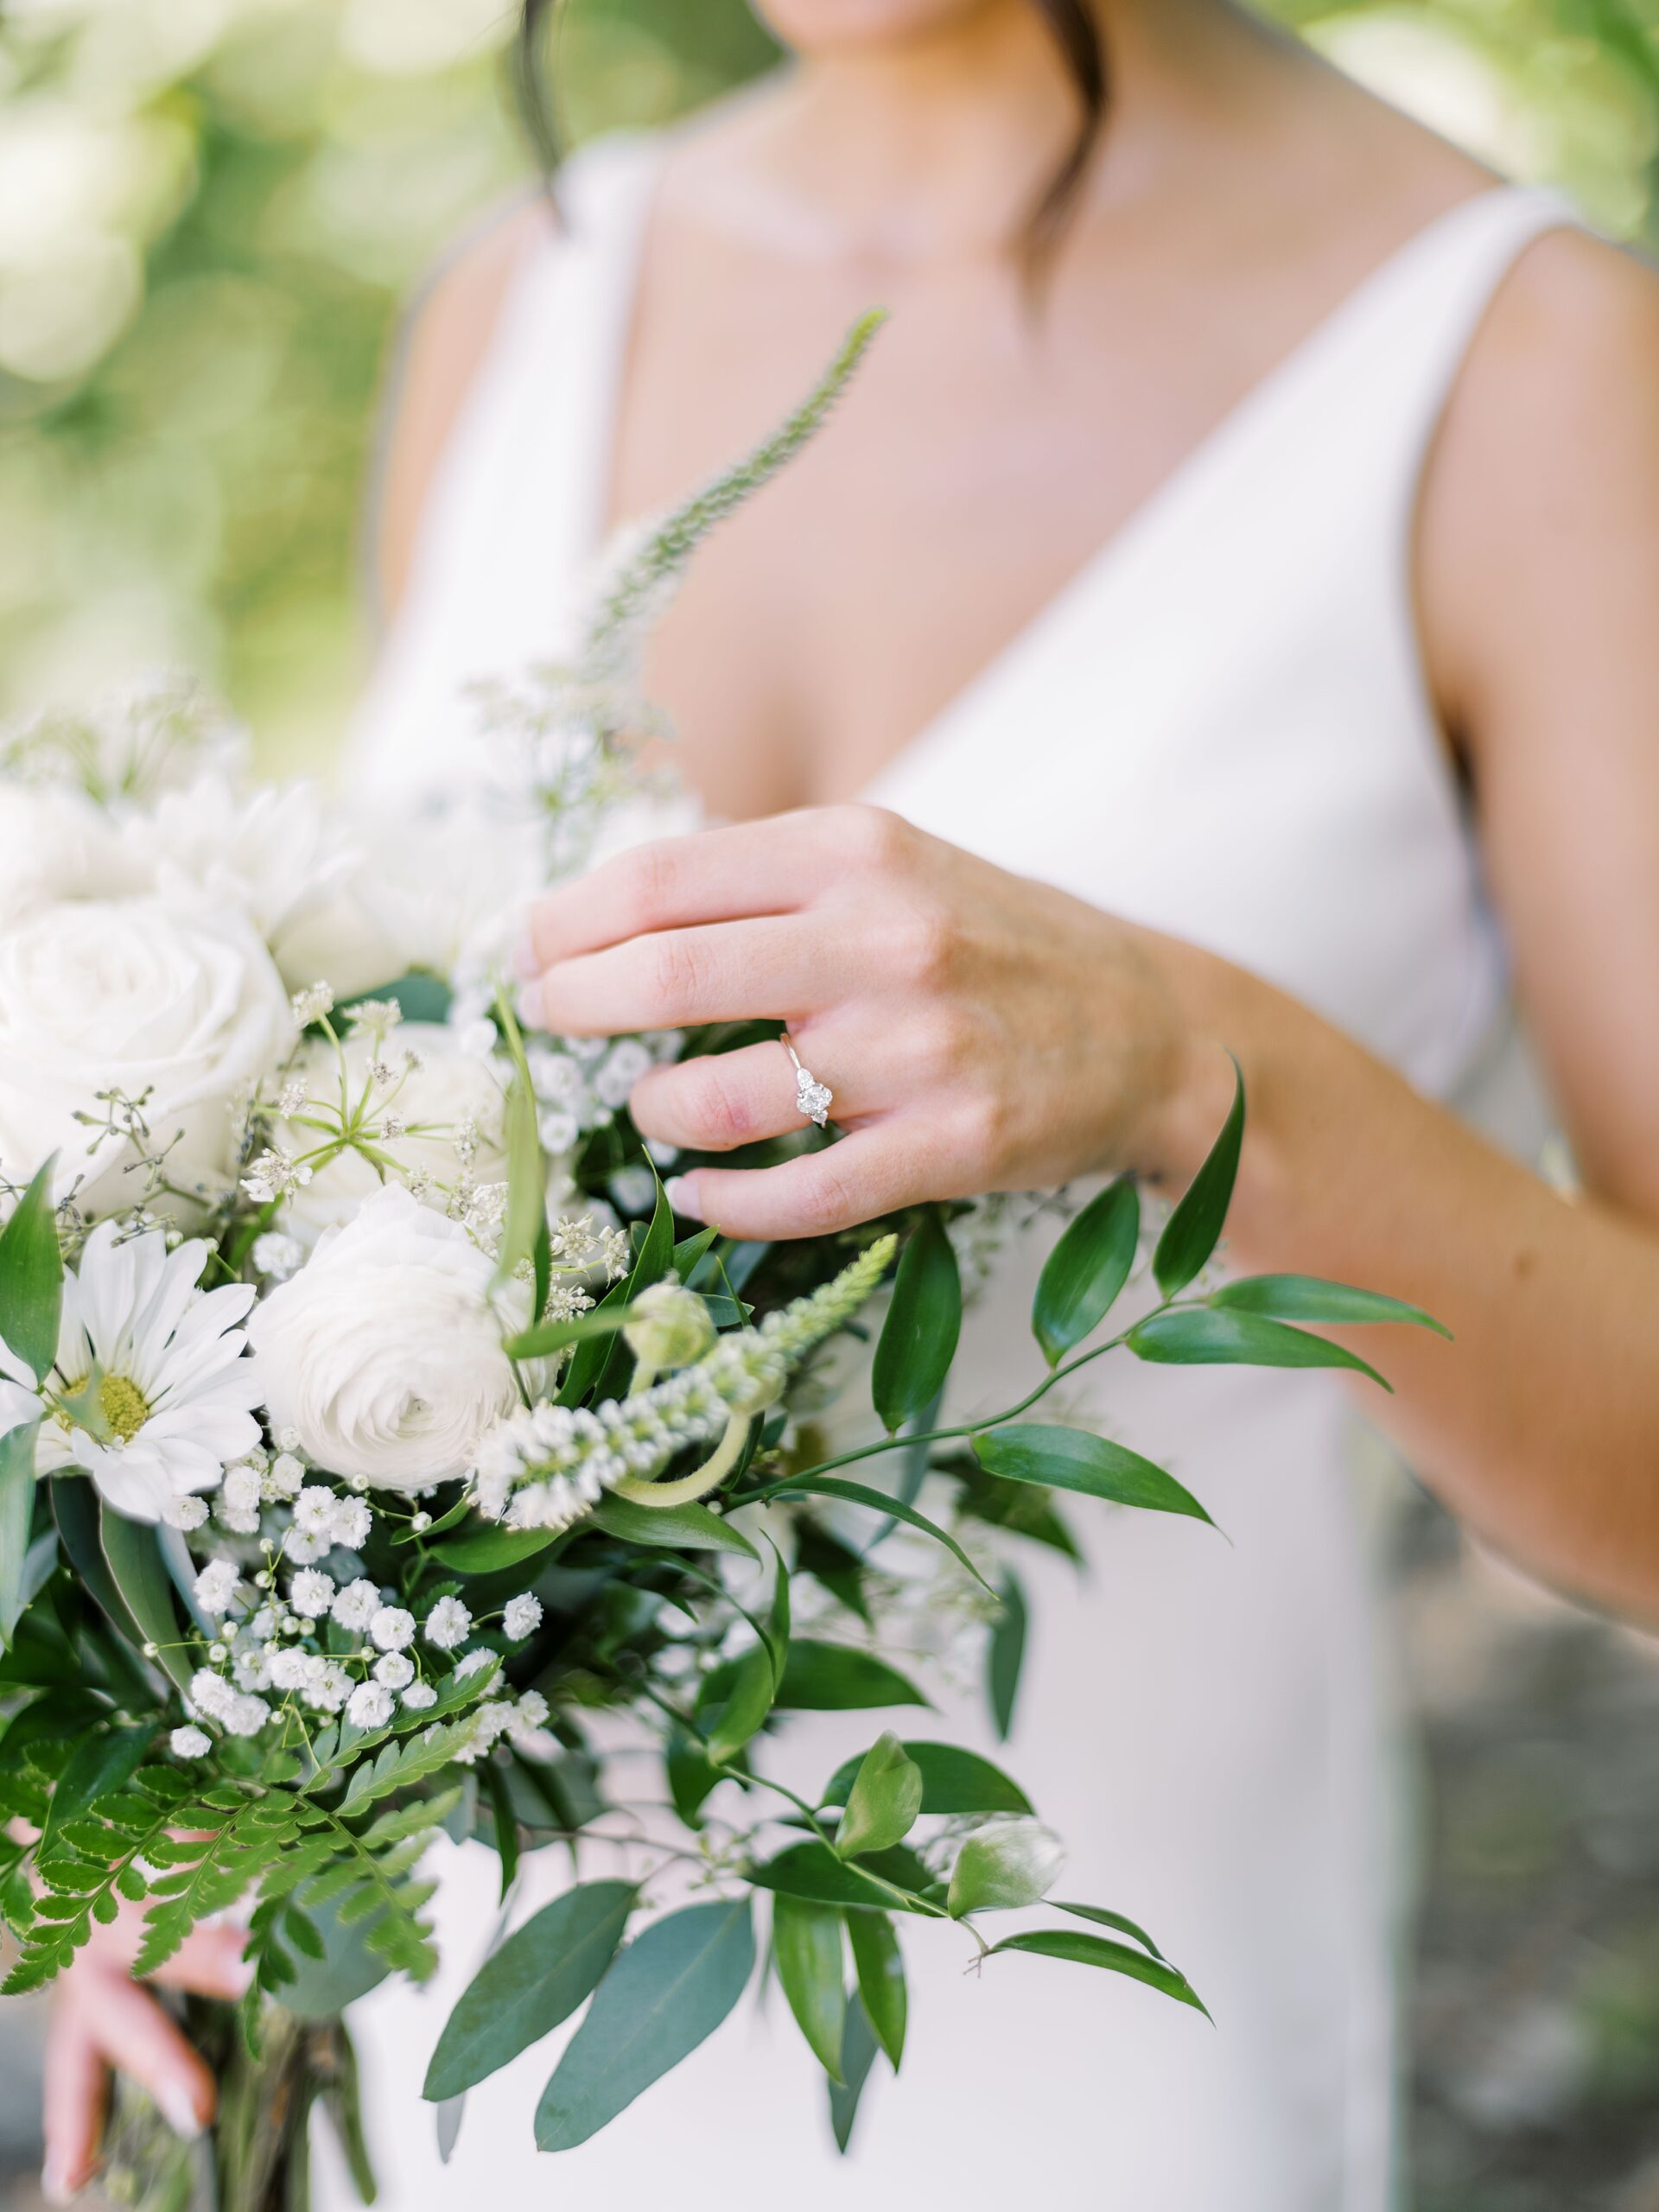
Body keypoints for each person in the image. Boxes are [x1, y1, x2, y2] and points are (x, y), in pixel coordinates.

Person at [41, 1, 1659, 2205]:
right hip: (431, 2079)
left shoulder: (1526, 371)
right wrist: (192, 1781)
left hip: (1080, 2060)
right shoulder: (521, 298)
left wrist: (1194, 1063)